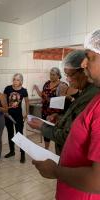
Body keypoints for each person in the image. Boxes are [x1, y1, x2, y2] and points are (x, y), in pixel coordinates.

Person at [31, 29, 100, 199]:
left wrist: (55, 171)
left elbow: (97, 181)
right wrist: (61, 119)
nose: (84, 65)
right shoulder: (94, 97)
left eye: (90, 58)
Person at [28, 50, 99, 155]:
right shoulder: (84, 92)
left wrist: (42, 127)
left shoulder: (90, 97)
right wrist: (61, 118)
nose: (68, 79)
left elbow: (71, 136)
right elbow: (76, 120)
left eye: (70, 75)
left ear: (83, 71)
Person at [33, 67, 68, 149]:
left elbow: (63, 100)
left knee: (57, 131)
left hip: (56, 113)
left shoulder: (62, 85)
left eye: (53, 75)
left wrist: (55, 112)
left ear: (58, 75)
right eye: (50, 74)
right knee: (45, 130)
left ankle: (59, 150)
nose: (51, 76)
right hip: (45, 111)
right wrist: (37, 89)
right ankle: (46, 148)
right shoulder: (47, 83)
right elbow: (42, 95)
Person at [4, 73, 29, 163]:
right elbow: (3, 100)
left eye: (17, 80)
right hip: (8, 115)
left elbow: (27, 102)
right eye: (14, 79)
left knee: (20, 135)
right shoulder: (8, 89)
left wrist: (27, 113)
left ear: (21, 81)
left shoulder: (24, 91)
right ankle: (12, 151)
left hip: (18, 116)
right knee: (10, 133)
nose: (15, 81)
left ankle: (22, 154)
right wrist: (5, 111)